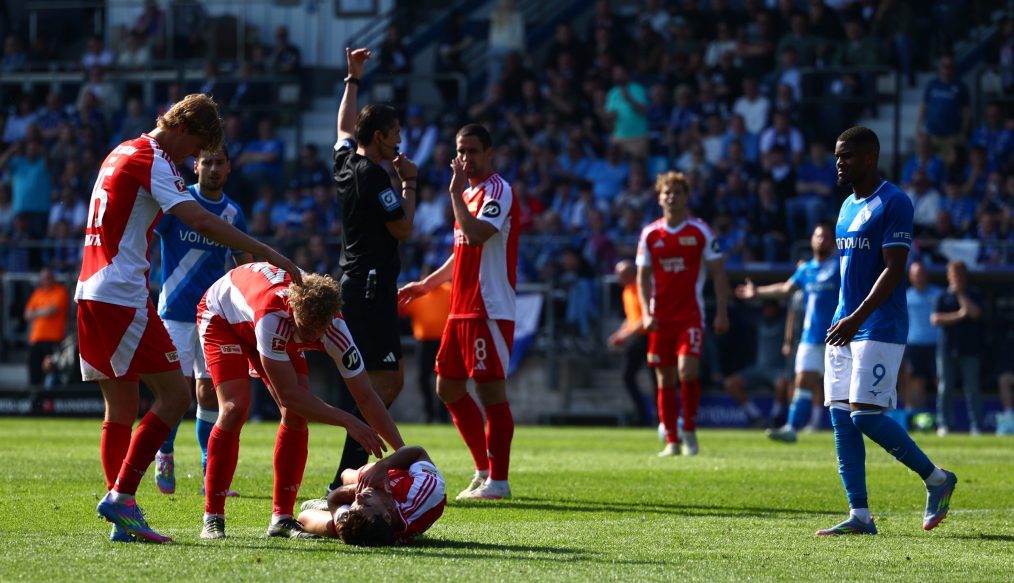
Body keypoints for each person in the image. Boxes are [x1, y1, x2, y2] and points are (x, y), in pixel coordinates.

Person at [78, 93, 302, 544]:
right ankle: (123, 498)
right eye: (195, 148)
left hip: (90, 290)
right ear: (183, 129)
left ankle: (123, 511)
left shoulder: (120, 149)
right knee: (176, 395)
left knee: (120, 408)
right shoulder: (153, 158)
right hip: (122, 295)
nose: (194, 159)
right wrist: (267, 250)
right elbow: (199, 220)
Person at [197, 265, 404, 540]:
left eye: (317, 332)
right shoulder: (275, 317)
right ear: (295, 311)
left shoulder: (334, 330)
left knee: (295, 417)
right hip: (224, 318)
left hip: (271, 323)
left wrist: (405, 455)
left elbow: (366, 395)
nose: (309, 338)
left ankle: (281, 519)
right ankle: (213, 517)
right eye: (305, 329)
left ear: (330, 321)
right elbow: (289, 395)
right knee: (235, 407)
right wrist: (348, 420)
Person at [818, 126, 956, 536]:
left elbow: (894, 270)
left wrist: (856, 318)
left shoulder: (895, 202)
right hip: (845, 322)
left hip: (878, 324)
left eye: (846, 156)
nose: (839, 162)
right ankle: (859, 514)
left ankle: (936, 478)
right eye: (837, 156)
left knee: (865, 416)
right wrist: (844, 317)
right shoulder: (845, 207)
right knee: (841, 417)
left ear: (870, 158)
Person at [398, 123, 518, 500]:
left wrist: (453, 196)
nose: (465, 158)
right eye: (460, 151)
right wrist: (427, 285)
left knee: (490, 392)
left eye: (472, 151)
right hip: (460, 307)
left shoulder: (498, 190)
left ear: (489, 154)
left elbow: (479, 234)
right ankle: (482, 470)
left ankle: (499, 480)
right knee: (447, 387)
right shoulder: (467, 194)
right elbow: (462, 250)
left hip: (489, 307)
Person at [323, 48, 417, 497]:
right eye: (395, 133)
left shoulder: (345, 163)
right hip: (372, 284)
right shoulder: (375, 177)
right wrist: (410, 183)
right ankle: (351, 471)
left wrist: (351, 79)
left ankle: (352, 470)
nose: (399, 140)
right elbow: (403, 226)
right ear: (379, 137)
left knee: (379, 382)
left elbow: (343, 128)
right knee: (383, 382)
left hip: (357, 283)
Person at [150, 146, 251, 496]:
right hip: (174, 313)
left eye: (218, 162)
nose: (211, 168)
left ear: (228, 167)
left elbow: (244, 265)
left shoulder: (232, 213)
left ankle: (211, 470)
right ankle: (164, 453)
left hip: (211, 315)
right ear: (195, 166)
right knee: (175, 392)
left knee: (208, 393)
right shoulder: (179, 204)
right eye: (206, 162)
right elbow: (147, 229)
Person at [636, 170, 730, 457]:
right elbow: (642, 277)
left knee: (687, 371)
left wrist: (722, 312)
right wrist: (645, 313)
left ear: (687, 197)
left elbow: (718, 273)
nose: (671, 197)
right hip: (660, 317)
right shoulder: (650, 234)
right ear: (659, 197)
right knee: (664, 379)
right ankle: (672, 439)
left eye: (677, 192)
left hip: (691, 315)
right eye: (667, 192)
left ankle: (689, 428)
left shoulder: (700, 231)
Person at [736, 223, 839, 443]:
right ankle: (791, 427)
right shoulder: (806, 269)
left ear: (833, 241)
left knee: (841, 390)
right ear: (811, 240)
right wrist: (758, 292)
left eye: (826, 236)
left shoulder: (840, 267)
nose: (821, 240)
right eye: (818, 235)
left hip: (838, 337)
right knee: (802, 382)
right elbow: (785, 288)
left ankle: (852, 429)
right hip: (810, 338)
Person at [297, 445, 446, 546]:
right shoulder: (425, 492)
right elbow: (418, 452)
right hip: (402, 476)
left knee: (321, 522)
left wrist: (353, 492)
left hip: (377, 506)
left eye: (356, 503)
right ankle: (342, 502)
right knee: (347, 475)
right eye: (366, 504)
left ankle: (337, 507)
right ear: (387, 516)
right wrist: (382, 466)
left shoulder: (361, 523)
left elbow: (307, 514)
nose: (360, 497)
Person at [930, 260, 984, 436]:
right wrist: (960, 315)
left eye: (959, 275)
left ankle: (977, 426)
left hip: (970, 349)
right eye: (954, 275)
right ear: (948, 276)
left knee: (972, 389)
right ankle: (944, 424)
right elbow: (936, 319)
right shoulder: (942, 297)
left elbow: (975, 313)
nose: (957, 278)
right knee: (944, 388)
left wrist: (961, 295)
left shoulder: (974, 293)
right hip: (946, 349)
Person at [722, 300, 791, 429]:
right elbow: (741, 312)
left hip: (777, 370)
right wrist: (731, 297)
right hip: (758, 369)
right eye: (765, 308)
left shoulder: (784, 324)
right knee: (730, 383)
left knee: (783, 383)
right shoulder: (759, 322)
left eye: (770, 308)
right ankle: (754, 416)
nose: (767, 311)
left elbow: (793, 314)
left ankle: (776, 417)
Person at [606, 259, 653, 426]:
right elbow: (631, 318)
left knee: (656, 377)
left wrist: (625, 336)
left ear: (631, 274)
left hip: (650, 337)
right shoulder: (626, 291)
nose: (617, 277)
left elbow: (646, 317)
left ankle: (661, 417)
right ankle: (642, 416)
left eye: (620, 274)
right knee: (628, 376)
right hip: (637, 338)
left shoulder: (643, 288)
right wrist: (619, 334)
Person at [399, 281, 452, 423]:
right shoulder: (419, 293)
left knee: (444, 378)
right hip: (424, 343)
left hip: (443, 341)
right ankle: (429, 413)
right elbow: (402, 310)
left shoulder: (448, 290)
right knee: (423, 378)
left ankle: (443, 415)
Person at [899, 261, 943, 424]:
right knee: (916, 381)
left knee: (940, 379)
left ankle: (942, 416)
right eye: (915, 273)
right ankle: (918, 417)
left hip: (936, 344)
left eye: (921, 273)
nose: (919, 276)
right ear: (910, 276)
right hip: (913, 345)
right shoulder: (905, 296)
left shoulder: (939, 294)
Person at [24, 267, 69, 388]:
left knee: (52, 374)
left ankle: (51, 402)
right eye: (43, 278)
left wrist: (36, 312)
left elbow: (52, 310)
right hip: (36, 340)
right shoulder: (37, 293)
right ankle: (34, 402)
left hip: (53, 340)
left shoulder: (60, 291)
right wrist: (43, 311)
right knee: (34, 373)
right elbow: (27, 314)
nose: (46, 280)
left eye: (48, 278)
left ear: (53, 278)